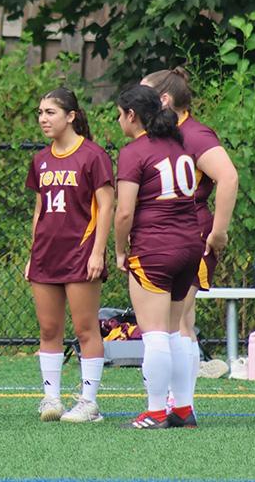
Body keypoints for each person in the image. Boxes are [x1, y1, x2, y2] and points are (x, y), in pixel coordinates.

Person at [140, 67, 239, 414]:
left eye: (146, 94)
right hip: (170, 233)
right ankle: (178, 403)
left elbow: (228, 177)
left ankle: (180, 405)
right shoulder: (165, 135)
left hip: (191, 231)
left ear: (164, 100)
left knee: (179, 321)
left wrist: (218, 231)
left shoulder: (193, 135)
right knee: (175, 320)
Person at [114, 84, 203, 429]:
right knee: (174, 332)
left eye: (120, 115)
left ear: (132, 116)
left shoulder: (134, 152)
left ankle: (154, 411)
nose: (119, 121)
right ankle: (182, 408)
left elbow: (124, 213)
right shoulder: (179, 145)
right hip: (189, 245)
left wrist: (120, 250)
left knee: (154, 335)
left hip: (155, 247)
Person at [24, 88, 114, 423]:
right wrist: (33, 253)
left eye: (50, 112)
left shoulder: (93, 156)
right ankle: (51, 399)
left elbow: (106, 206)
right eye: (40, 112)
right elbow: (39, 209)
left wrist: (98, 252)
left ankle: (89, 403)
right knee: (49, 329)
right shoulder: (41, 159)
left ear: (71, 116)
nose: (43, 119)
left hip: (80, 253)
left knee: (86, 328)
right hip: (47, 254)